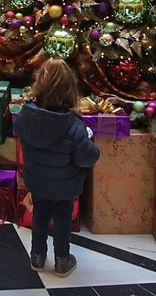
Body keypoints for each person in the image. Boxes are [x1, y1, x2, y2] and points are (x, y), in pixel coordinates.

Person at [15, 59, 100, 276]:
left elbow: (21, 137)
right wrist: (90, 141)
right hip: (65, 186)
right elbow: (87, 158)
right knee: (63, 220)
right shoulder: (74, 127)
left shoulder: (26, 116)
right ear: (70, 90)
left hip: (37, 181)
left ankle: (37, 257)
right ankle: (62, 260)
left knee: (40, 216)